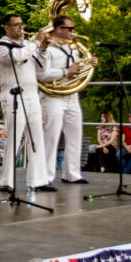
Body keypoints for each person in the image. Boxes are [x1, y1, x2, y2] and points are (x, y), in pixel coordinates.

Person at [0, 14, 54, 192]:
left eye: (21, 24)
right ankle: (7, 181)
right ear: (7, 27)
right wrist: (36, 43)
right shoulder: (1, 46)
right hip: (13, 96)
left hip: (32, 95)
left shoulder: (28, 45)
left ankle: (39, 180)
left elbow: (41, 69)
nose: (21, 28)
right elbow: (15, 58)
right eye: (16, 25)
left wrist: (42, 50)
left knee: (36, 138)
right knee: (13, 138)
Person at [35, 16, 95, 185]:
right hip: (53, 97)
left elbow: (78, 69)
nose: (72, 32)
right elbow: (41, 75)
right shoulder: (46, 49)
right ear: (59, 29)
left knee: (76, 135)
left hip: (71, 96)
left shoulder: (74, 48)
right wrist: (66, 71)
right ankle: (45, 177)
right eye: (69, 28)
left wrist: (88, 64)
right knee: (51, 137)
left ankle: (72, 173)